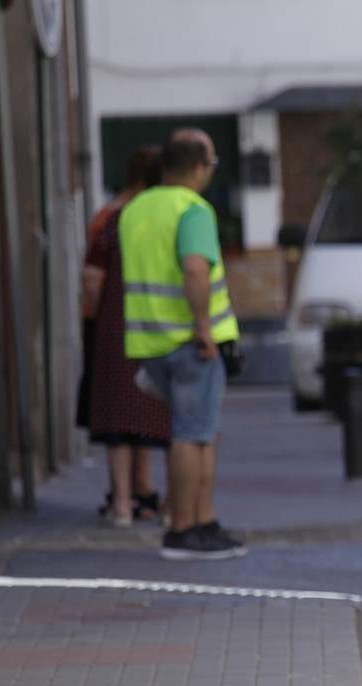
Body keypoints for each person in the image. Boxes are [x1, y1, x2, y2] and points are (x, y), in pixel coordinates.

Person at [121, 128, 245, 560]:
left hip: (149, 340)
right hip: (190, 341)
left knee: (201, 430)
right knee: (192, 435)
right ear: (197, 167)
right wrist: (204, 329)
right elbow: (195, 270)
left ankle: (203, 521)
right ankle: (184, 529)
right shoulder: (192, 209)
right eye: (211, 164)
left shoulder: (136, 209)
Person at [83, 146, 173, 527]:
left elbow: (92, 278)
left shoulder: (114, 218)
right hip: (166, 326)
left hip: (117, 328)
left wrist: (94, 318)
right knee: (166, 419)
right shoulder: (174, 216)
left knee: (120, 418)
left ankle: (123, 503)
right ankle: (171, 505)